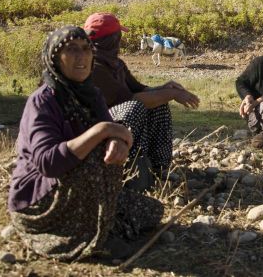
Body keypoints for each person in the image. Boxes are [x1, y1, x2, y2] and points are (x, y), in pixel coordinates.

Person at [8, 26, 163, 261]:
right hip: (40, 198)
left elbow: (118, 131)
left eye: (86, 49)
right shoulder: (43, 102)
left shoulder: (91, 94)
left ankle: (98, 222)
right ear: (55, 58)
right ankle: (96, 237)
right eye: (71, 50)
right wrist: (102, 131)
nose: (81, 57)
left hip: (78, 192)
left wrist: (118, 138)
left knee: (152, 211)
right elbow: (48, 164)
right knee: (96, 152)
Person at [83, 12, 199, 190]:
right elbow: (132, 99)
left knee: (158, 103)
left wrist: (165, 88)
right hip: (95, 132)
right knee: (134, 107)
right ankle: (130, 169)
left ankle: (158, 168)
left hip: (113, 125)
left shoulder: (116, 64)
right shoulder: (94, 68)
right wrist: (170, 94)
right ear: (113, 39)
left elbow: (138, 89)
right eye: (118, 36)